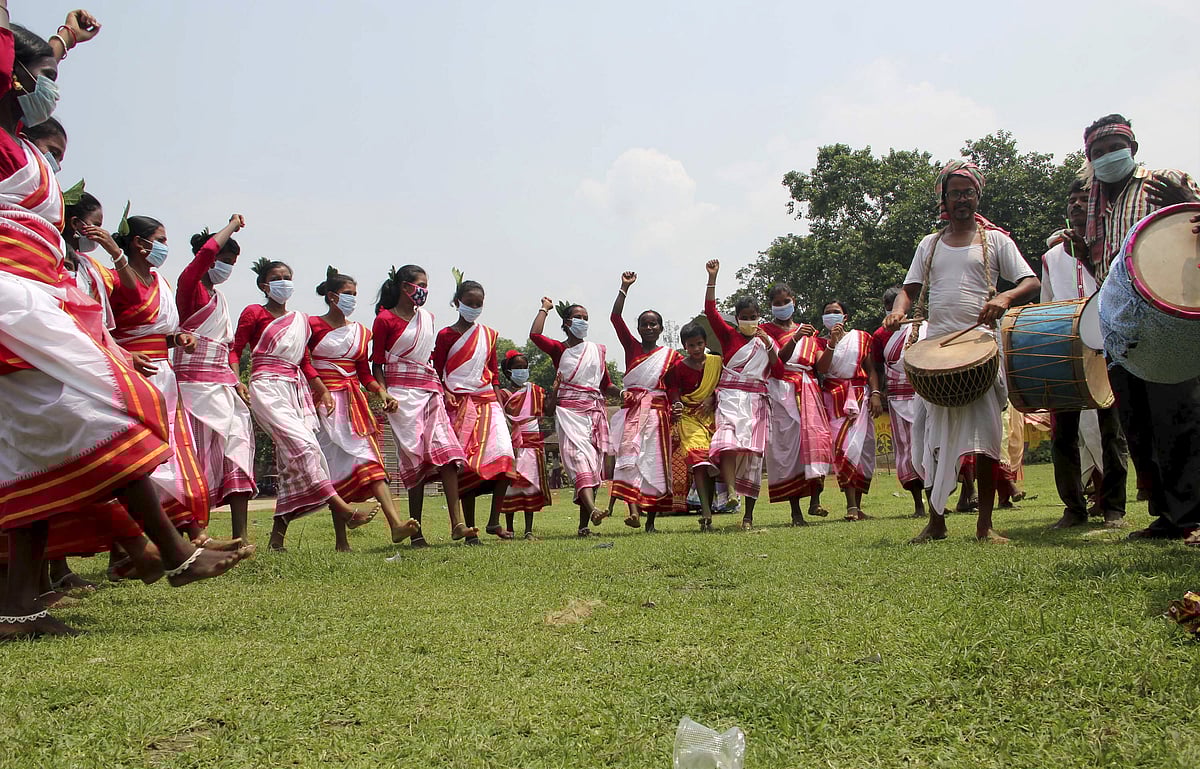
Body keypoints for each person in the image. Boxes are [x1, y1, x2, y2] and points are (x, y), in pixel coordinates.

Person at [0, 10, 251, 638]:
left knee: (35, 449)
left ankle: (18, 607)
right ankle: (173, 552)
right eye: (46, 76)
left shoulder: (24, 148)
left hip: (32, 302)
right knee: (105, 407)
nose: (53, 86)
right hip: (11, 302)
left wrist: (62, 43)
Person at [883, 160, 1040, 543]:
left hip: (981, 350)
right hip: (935, 352)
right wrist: (899, 309)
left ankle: (985, 525)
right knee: (930, 439)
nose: (962, 199)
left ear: (977, 196)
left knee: (986, 439)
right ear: (945, 199)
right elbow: (910, 288)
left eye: (968, 192)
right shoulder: (929, 244)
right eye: (954, 193)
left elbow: (1030, 281)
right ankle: (936, 522)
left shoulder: (996, 241)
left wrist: (1005, 296)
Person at [1071, 114, 1200, 542]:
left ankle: (1191, 515)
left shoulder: (1164, 181)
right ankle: (1168, 515)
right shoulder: (1095, 203)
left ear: (1134, 147)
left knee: (1177, 416)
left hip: (1169, 321)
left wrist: (1190, 204)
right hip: (1123, 328)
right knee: (1139, 423)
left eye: (1114, 147)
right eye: (1098, 152)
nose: (1107, 157)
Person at [233, 259, 368, 551]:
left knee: (291, 463)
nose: (283, 282)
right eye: (276, 278)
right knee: (305, 448)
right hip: (266, 386)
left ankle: (276, 540)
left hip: (296, 390)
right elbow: (236, 348)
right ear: (264, 285)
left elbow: (304, 360)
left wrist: (322, 390)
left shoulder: (299, 319)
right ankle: (344, 510)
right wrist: (236, 380)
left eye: (287, 277)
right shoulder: (254, 312)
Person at [108, 213, 215, 545]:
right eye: (162, 239)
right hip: (130, 377)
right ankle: (129, 547)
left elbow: (161, 334)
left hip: (164, 376)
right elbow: (99, 331)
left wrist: (179, 339)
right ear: (140, 244)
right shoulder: (114, 280)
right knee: (139, 456)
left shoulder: (161, 283)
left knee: (176, 451)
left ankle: (194, 532)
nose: (166, 247)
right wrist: (126, 356)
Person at [1040, 181, 1130, 529]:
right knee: (1063, 435)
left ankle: (1114, 509)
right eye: (1072, 200)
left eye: (1083, 199)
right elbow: (1047, 307)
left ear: (1096, 206)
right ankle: (1074, 509)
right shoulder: (1051, 257)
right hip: (1065, 352)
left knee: (1112, 433)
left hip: (1106, 350)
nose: (1077, 205)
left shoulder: (1110, 251)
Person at [310, 268, 420, 549]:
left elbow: (365, 373)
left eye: (355, 295)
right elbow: (305, 362)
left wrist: (382, 392)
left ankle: (395, 524)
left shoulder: (360, 332)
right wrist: (321, 390)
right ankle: (341, 541)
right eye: (348, 294)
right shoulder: (311, 325)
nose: (353, 299)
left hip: (354, 405)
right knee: (334, 468)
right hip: (325, 404)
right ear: (332, 297)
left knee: (371, 463)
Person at [371, 265, 475, 546]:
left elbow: (429, 360)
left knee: (448, 455)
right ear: (405, 287)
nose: (424, 291)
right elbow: (377, 364)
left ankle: (458, 523)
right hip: (400, 397)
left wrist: (443, 390)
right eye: (420, 285)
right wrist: (383, 395)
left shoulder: (427, 319)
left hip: (430, 392)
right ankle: (415, 532)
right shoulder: (385, 320)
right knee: (414, 461)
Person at [174, 216, 257, 543]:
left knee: (237, 450)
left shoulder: (220, 300)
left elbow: (226, 347)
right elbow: (205, 256)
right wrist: (230, 227)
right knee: (195, 461)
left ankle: (241, 536)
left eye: (232, 264)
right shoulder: (189, 288)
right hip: (192, 391)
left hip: (222, 387)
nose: (227, 269)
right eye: (224, 261)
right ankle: (198, 538)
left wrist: (236, 380)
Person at [433, 276, 516, 542]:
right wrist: (445, 391)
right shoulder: (446, 335)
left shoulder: (489, 335)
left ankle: (494, 521)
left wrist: (502, 407)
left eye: (478, 304)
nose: (474, 308)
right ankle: (469, 530)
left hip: (488, 402)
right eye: (469, 303)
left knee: (504, 457)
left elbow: (492, 374)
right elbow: (437, 370)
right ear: (457, 303)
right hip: (458, 404)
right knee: (466, 466)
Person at [530, 296, 619, 536]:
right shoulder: (560, 350)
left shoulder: (596, 351)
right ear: (567, 323)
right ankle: (592, 510)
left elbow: (606, 385)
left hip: (594, 414)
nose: (583, 322)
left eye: (586, 318)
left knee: (593, 466)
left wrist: (623, 393)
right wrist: (544, 309)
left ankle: (583, 526)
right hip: (569, 413)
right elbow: (535, 336)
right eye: (578, 318)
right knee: (580, 460)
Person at [703, 259, 777, 530]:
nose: (748, 321)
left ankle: (748, 516)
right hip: (731, 398)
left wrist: (769, 344)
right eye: (743, 316)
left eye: (752, 316)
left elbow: (777, 366)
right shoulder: (728, 336)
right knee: (727, 442)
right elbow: (710, 311)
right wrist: (713, 278)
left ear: (759, 316)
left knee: (754, 459)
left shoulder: (765, 340)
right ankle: (731, 491)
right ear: (736, 318)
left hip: (756, 402)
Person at [607, 271, 681, 532]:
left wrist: (678, 406)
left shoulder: (671, 356)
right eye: (644, 324)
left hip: (659, 414)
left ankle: (651, 520)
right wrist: (624, 288)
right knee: (630, 457)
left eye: (653, 324)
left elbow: (674, 387)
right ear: (638, 329)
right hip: (633, 410)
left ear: (660, 328)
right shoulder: (632, 348)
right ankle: (633, 511)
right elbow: (615, 318)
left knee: (654, 462)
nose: (649, 328)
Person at [763, 283, 833, 525]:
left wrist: (831, 343)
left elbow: (821, 365)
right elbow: (778, 361)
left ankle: (816, 500)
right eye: (778, 303)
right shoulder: (766, 330)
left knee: (817, 442)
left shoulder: (810, 333)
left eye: (786, 301)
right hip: (782, 390)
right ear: (771, 306)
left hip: (809, 389)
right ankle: (795, 512)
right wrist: (795, 337)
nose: (783, 306)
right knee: (788, 449)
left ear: (794, 300)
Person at [814, 300, 882, 521]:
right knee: (843, 450)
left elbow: (870, 369)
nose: (831, 315)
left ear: (845, 317)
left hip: (861, 397)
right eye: (827, 313)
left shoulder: (861, 338)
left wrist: (875, 394)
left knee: (863, 451)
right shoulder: (818, 342)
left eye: (836, 312)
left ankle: (858, 506)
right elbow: (822, 369)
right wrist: (832, 343)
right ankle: (850, 506)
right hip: (833, 399)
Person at [871, 286, 927, 517]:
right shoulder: (880, 335)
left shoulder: (924, 328)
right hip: (897, 400)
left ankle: (940, 499)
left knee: (932, 446)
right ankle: (918, 505)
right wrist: (876, 394)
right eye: (889, 310)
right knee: (906, 451)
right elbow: (876, 367)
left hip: (925, 395)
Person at [664, 323, 723, 529]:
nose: (696, 349)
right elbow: (673, 390)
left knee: (712, 464)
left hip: (712, 418)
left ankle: (709, 510)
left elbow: (724, 385)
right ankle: (706, 512)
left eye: (699, 344)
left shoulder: (717, 363)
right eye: (691, 345)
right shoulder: (678, 368)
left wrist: (712, 397)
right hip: (689, 419)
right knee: (698, 461)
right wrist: (677, 404)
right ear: (684, 346)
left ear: (705, 343)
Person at [499, 351, 551, 539]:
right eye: (517, 368)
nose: (522, 371)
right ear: (508, 371)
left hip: (532, 442)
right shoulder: (502, 394)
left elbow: (548, 409)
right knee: (510, 487)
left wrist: (557, 390)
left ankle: (529, 530)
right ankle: (510, 528)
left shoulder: (536, 391)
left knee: (530, 485)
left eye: (524, 367)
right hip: (510, 442)